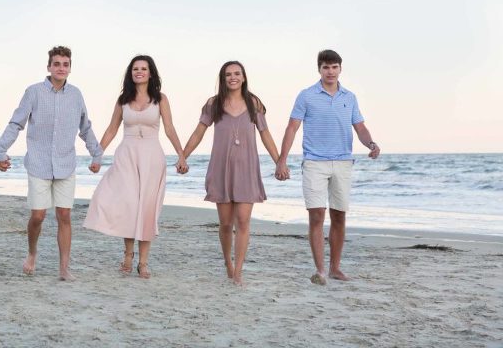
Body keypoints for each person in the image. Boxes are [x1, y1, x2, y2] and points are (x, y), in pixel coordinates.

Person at [0, 46, 102, 281]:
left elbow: (85, 127)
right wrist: (0, 151)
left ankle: (64, 268)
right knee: (39, 216)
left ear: (70, 68)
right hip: (39, 164)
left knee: (64, 215)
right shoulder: (33, 92)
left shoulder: (76, 95)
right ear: (49, 67)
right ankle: (32, 252)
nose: (61, 68)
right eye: (57, 64)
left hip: (66, 164)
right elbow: (16, 124)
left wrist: (96, 154)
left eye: (65, 64)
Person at [274, 49, 380, 285]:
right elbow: (292, 128)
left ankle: (335, 268)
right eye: (326, 67)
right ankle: (320, 270)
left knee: (339, 215)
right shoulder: (306, 95)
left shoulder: (349, 97)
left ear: (340, 69)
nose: (330, 72)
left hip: (343, 162)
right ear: (319, 69)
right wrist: (282, 160)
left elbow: (360, 128)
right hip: (314, 162)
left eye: (334, 67)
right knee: (316, 215)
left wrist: (371, 143)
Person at [83, 55, 187, 279]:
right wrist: (97, 156)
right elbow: (111, 130)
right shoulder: (123, 100)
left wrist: (181, 155)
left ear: (151, 73)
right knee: (129, 205)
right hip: (127, 156)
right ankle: (128, 255)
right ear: (131, 73)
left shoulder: (161, 99)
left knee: (147, 209)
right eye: (135, 69)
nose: (139, 72)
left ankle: (143, 262)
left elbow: (169, 128)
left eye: (143, 68)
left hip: (152, 158)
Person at [181, 61, 281, 286]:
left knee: (243, 221)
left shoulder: (253, 103)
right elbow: (199, 132)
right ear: (223, 78)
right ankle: (228, 262)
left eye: (237, 74)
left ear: (244, 77)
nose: (233, 77)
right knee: (226, 223)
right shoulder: (213, 104)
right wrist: (183, 155)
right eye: (228, 74)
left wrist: (279, 162)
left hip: (246, 168)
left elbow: (265, 134)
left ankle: (238, 271)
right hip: (222, 168)